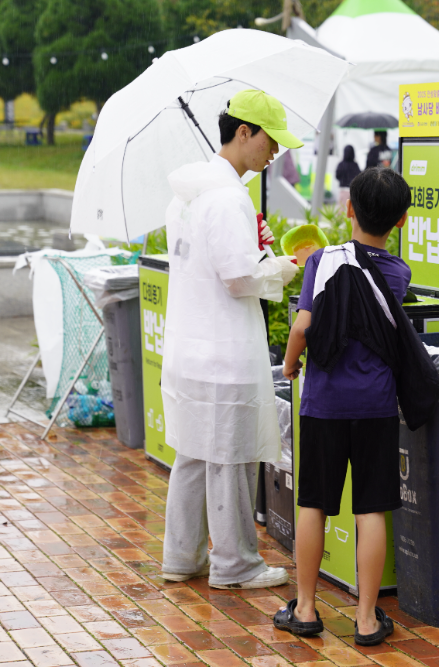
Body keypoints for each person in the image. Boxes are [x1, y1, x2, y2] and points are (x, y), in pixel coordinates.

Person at [160, 89, 301, 588]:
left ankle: (182, 557)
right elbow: (238, 279)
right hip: (224, 351)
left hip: (189, 348)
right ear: (245, 133)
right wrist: (282, 267)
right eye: (270, 141)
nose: (274, 153)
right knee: (231, 456)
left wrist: (254, 247)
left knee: (195, 455)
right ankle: (236, 564)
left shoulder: (189, 194)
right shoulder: (225, 197)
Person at [273, 168, 415, 646]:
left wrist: (291, 367)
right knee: (371, 508)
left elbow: (302, 329)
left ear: (349, 209)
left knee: (313, 502)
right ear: (400, 221)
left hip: (324, 403)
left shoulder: (323, 261)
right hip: (375, 404)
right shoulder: (398, 272)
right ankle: (368, 618)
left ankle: (308, 609)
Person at [335, 145, 361, 210]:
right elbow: (359, 176)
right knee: (352, 211)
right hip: (352, 190)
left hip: (343, 189)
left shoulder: (341, 164)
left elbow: (337, 176)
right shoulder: (355, 165)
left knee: (341, 210)